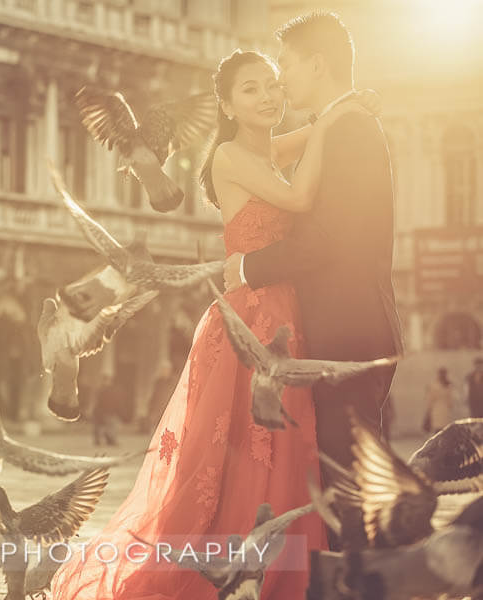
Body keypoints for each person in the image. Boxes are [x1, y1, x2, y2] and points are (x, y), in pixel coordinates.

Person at [50, 38, 388, 597]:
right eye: (250, 89)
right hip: (254, 316)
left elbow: (312, 133)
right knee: (237, 447)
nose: (268, 96)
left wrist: (346, 109)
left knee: (277, 446)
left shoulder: (267, 151)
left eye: (274, 85)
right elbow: (302, 199)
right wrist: (335, 122)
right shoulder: (231, 155)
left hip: (282, 313)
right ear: (226, 107)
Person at [223, 11, 402, 551]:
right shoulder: (341, 123)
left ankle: (361, 586)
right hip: (347, 331)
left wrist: (249, 268)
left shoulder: (347, 128)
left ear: (318, 64)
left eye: (286, 65)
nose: (282, 79)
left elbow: (329, 236)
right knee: (345, 483)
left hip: (346, 335)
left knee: (350, 490)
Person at [424, 368, 454, 434]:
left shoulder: (434, 385)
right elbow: (451, 400)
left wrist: (428, 409)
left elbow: (430, 399)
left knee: (438, 430)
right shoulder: (449, 385)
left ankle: (438, 443)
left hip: (436, 409)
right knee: (444, 429)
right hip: (444, 410)